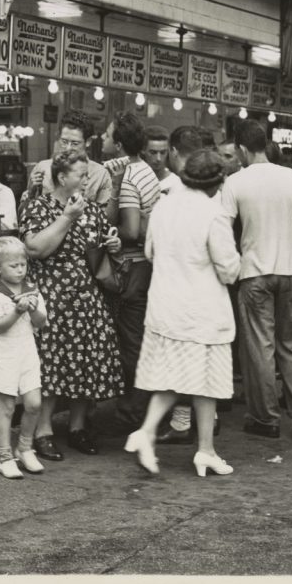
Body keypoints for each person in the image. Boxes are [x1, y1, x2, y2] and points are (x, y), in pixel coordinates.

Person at [125, 149, 241, 478]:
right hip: (201, 312)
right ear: (218, 182)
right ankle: (150, 433)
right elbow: (228, 270)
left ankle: (205, 450)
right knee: (197, 380)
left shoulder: (164, 206)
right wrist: (240, 263)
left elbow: (149, 251)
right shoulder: (214, 214)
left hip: (164, 306)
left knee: (187, 379)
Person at [20, 150, 124, 460]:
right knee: (50, 364)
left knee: (84, 362)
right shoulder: (37, 206)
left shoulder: (92, 209)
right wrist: (67, 217)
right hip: (51, 293)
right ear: (62, 177)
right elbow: (36, 248)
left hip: (85, 295)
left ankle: (78, 427)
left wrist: (113, 244)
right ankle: (43, 430)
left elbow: (103, 240)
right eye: (81, 173)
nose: (86, 178)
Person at [220, 120, 292, 441]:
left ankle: (266, 418)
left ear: (243, 149)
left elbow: (224, 229)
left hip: (254, 273)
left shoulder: (235, 182)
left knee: (260, 346)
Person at [157, 125, 221, 442]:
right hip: (205, 294)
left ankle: (179, 427)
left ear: (174, 152)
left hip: (178, 293)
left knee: (182, 364)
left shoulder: (171, 192)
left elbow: (151, 249)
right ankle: (200, 436)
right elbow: (227, 261)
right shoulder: (215, 193)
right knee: (202, 365)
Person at [105, 112, 163, 430]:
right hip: (145, 266)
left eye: (106, 134)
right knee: (135, 339)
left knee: (131, 342)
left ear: (117, 145)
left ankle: (132, 410)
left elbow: (128, 230)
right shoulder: (143, 171)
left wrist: (107, 231)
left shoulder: (129, 176)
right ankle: (137, 407)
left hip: (133, 267)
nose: (102, 139)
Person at [0, 236, 48, 480]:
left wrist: (32, 308)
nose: (20, 270)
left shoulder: (32, 289)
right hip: (5, 354)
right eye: (14, 266)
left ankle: (24, 447)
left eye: (22, 264)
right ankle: (4, 457)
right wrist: (16, 311)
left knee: (34, 404)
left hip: (27, 352)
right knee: (7, 407)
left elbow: (41, 323)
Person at [23, 111, 115, 211]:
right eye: (64, 141)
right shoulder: (42, 168)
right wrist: (30, 193)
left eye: (75, 143)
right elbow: (23, 215)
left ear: (88, 142)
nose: (68, 148)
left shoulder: (100, 174)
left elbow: (105, 218)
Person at [143, 125, 180, 194]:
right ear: (143, 150)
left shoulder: (176, 183)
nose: (158, 158)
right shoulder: (137, 181)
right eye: (153, 152)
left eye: (163, 152)